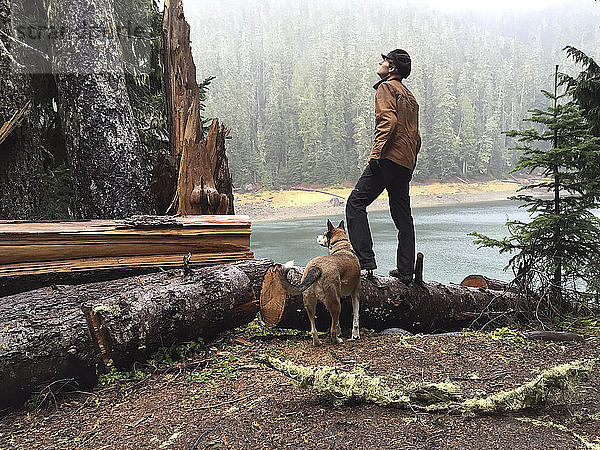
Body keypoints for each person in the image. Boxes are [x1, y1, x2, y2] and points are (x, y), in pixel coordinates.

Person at [346, 49, 421, 284]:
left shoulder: (386, 88)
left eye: (384, 60)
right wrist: (410, 162)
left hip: (387, 157)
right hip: (405, 163)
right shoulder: (411, 97)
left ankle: (364, 260)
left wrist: (376, 153)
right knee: (403, 217)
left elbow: (388, 121)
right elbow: (416, 136)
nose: (380, 63)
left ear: (392, 68)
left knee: (355, 204)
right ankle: (406, 271)